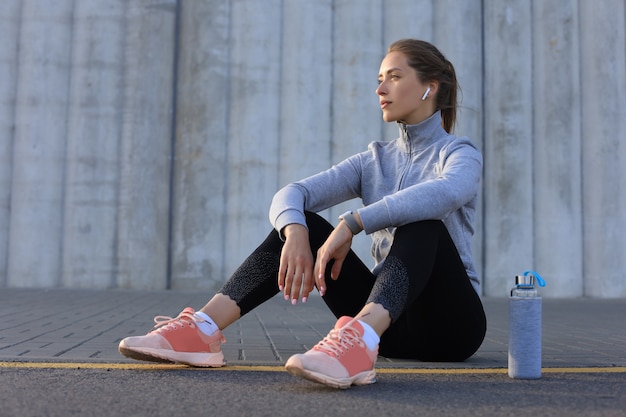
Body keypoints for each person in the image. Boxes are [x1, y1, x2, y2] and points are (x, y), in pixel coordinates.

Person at [118, 38, 487, 389]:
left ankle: (358, 338)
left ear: (430, 87)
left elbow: (446, 192)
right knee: (305, 222)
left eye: (393, 76)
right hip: (388, 331)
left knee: (422, 225)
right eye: (379, 79)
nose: (380, 89)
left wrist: (353, 223)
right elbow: (292, 193)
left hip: (451, 327)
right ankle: (202, 329)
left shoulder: (459, 154)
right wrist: (293, 231)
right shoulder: (373, 160)